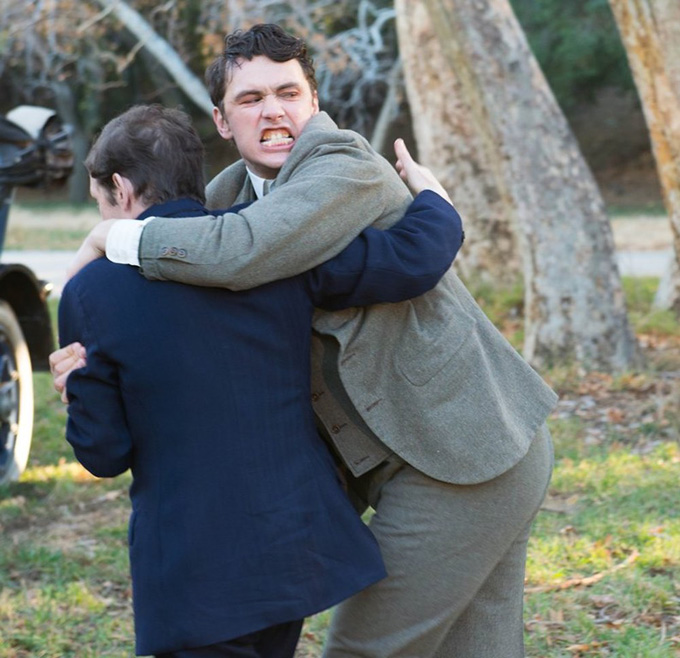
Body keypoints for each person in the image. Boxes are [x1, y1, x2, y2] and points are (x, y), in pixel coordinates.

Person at [53, 24, 557, 658]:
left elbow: (243, 253)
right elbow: (192, 269)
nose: (273, 111)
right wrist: (92, 374)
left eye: (289, 93)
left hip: (465, 451)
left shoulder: (341, 165)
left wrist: (104, 242)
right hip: (408, 457)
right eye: (250, 99)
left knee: (364, 649)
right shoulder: (229, 197)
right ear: (221, 121)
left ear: (314, 104)